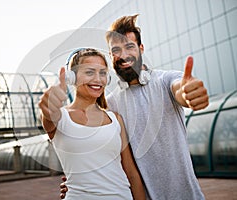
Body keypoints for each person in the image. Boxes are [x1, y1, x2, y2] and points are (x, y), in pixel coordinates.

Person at [59, 14, 209, 199]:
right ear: (110, 55)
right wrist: (79, 182)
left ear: (141, 48)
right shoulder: (110, 105)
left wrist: (188, 93)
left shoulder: (165, 81)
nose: (123, 55)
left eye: (129, 47)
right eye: (116, 50)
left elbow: (180, 89)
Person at [38, 48, 146, 200]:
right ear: (72, 77)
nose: (98, 79)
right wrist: (49, 104)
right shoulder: (60, 118)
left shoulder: (115, 119)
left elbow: (131, 173)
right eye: (89, 72)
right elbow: (49, 114)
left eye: (102, 73)